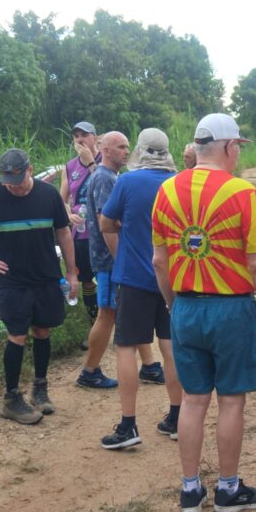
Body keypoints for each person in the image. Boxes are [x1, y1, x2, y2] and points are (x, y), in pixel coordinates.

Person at [152, 113, 256, 512]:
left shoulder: (166, 190)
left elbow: (159, 261)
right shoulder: (241, 192)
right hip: (231, 309)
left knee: (193, 400)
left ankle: (190, 490)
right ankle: (227, 489)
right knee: (231, 401)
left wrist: (173, 304)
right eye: (238, 146)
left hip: (186, 306)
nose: (238, 153)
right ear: (227, 146)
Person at [0, 149, 79, 424]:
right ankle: (11, 398)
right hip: (13, 280)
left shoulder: (48, 195)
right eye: (7, 181)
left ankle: (40, 388)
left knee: (43, 330)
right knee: (17, 335)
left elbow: (63, 232)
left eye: (17, 180)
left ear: (30, 169)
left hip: (46, 276)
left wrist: (72, 272)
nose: (12, 186)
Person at [98, 128, 184, 448]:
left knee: (126, 348)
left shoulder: (127, 182)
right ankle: (177, 418)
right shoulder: (179, 183)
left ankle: (128, 426)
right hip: (173, 278)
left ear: (139, 149)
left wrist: (123, 247)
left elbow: (106, 223)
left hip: (134, 276)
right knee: (171, 346)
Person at [75, 131, 161, 389]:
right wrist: (121, 261)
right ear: (106, 150)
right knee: (107, 314)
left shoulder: (112, 177)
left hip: (117, 260)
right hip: (110, 261)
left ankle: (149, 366)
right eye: (121, 147)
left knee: (130, 312)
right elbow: (107, 225)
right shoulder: (104, 177)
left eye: (127, 146)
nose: (126, 151)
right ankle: (89, 371)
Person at [61, 120, 102, 327]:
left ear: (95, 137)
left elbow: (108, 187)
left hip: (103, 229)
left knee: (107, 276)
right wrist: (68, 214)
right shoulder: (69, 167)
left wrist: (90, 162)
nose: (80, 139)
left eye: (85, 135)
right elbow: (62, 199)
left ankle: (113, 320)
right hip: (80, 231)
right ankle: (94, 322)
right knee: (86, 279)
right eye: (76, 136)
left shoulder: (106, 160)